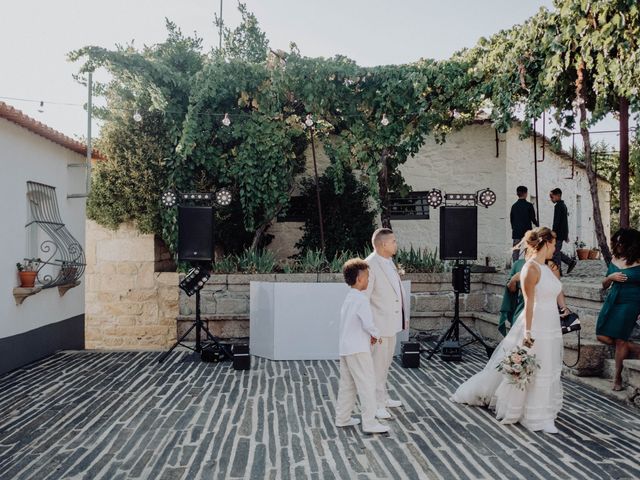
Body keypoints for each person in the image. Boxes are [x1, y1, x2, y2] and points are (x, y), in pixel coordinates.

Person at [451, 227, 567, 434]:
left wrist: (565, 310)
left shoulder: (548, 268)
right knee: (534, 368)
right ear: (546, 243)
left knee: (547, 368)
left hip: (551, 324)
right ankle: (537, 416)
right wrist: (528, 333)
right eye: (555, 243)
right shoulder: (531, 268)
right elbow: (529, 303)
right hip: (535, 323)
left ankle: (544, 410)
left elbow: (555, 292)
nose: (556, 248)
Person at [335, 258, 389, 434]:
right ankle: (370, 422)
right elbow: (368, 323)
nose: (368, 280)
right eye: (367, 276)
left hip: (346, 348)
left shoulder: (349, 298)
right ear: (359, 279)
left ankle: (342, 418)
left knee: (348, 384)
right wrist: (377, 335)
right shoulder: (361, 299)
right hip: (358, 349)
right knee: (367, 384)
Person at [365, 228, 408, 420]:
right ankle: (375, 404)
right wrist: (370, 328)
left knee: (385, 364)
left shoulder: (388, 262)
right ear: (383, 244)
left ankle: (383, 396)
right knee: (377, 366)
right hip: (379, 325)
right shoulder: (369, 265)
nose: (396, 244)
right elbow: (364, 299)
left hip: (391, 323)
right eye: (393, 241)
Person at [596, 228, 640, 391]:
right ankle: (634, 348)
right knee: (601, 335)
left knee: (620, 339)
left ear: (631, 244)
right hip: (613, 300)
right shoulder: (615, 259)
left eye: (623, 242)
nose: (619, 245)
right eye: (617, 242)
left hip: (632, 301)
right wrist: (610, 277)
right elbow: (604, 284)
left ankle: (617, 377)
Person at [550, 188, 577, 275]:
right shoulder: (563, 205)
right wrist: (566, 234)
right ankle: (570, 262)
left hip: (558, 233)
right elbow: (564, 222)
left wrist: (553, 232)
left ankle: (558, 270)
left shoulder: (558, 206)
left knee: (555, 251)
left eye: (552, 197)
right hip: (561, 233)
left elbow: (557, 221)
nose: (551, 199)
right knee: (556, 250)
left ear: (558, 196)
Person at [510, 186, 538, 262]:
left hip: (517, 230)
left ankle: (515, 264)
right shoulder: (529, 205)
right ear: (526, 194)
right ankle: (527, 264)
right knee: (528, 249)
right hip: (527, 231)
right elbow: (533, 218)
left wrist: (514, 228)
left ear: (517, 194)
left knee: (516, 249)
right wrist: (537, 224)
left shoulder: (514, 206)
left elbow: (511, 219)